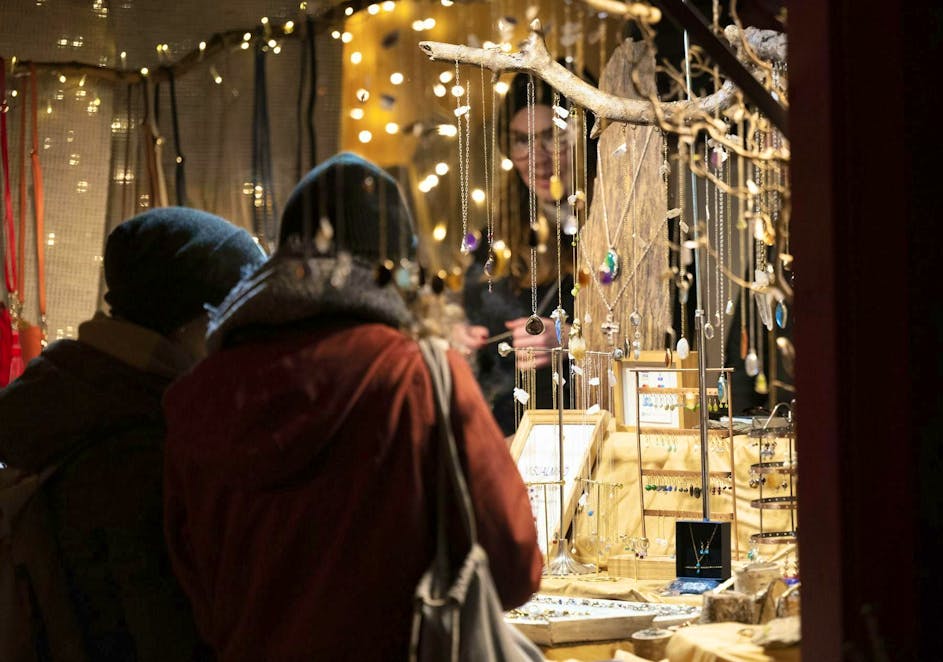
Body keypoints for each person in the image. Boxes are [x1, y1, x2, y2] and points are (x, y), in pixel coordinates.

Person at [161, 152, 543, 661]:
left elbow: (189, 581)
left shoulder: (195, 394)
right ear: (400, 269)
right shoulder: (420, 377)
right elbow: (514, 567)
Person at [0, 207, 266, 661]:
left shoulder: (68, 386)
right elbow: (164, 635)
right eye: (240, 325)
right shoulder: (142, 444)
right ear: (197, 325)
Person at [458, 70, 596, 435]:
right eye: (521, 141)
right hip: (508, 438)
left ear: (584, 138)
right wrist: (458, 339)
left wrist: (567, 340)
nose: (536, 156)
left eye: (552, 136)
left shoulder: (619, 226)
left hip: (591, 432)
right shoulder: (493, 240)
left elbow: (654, 340)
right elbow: (473, 327)